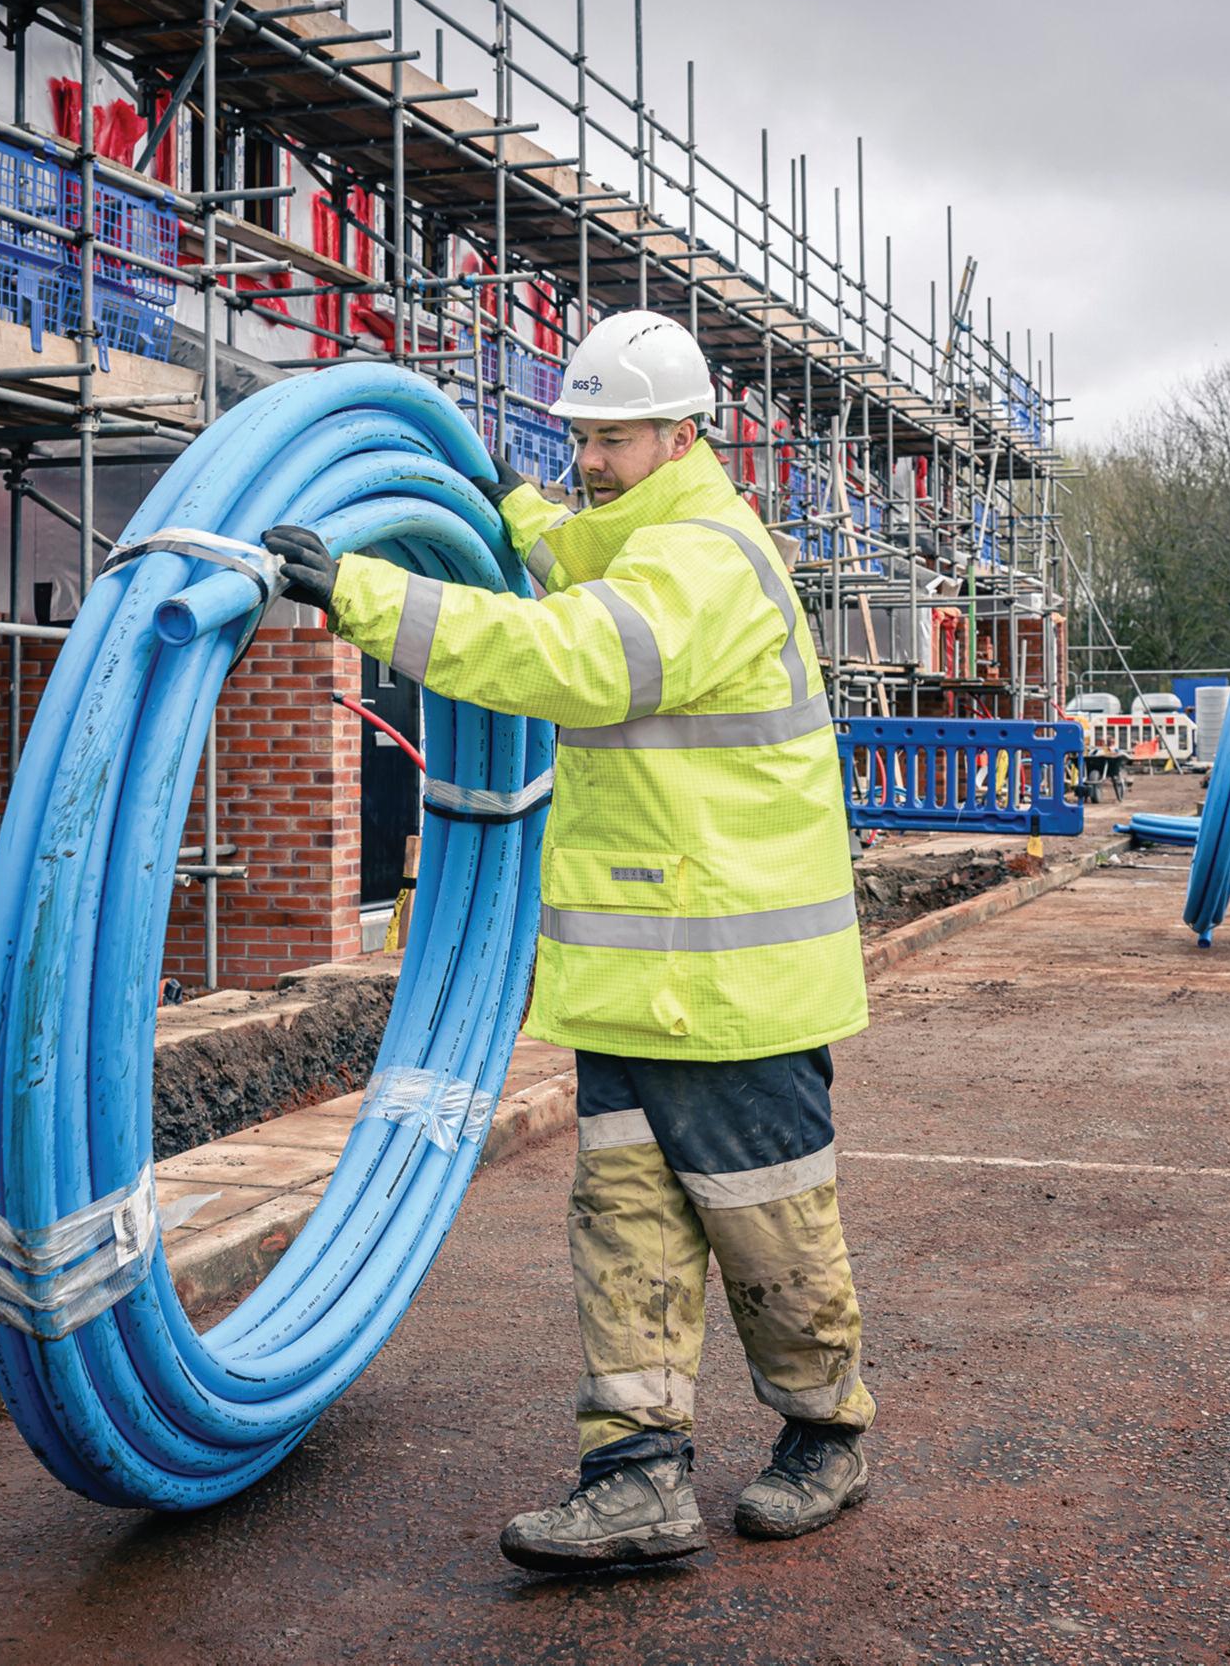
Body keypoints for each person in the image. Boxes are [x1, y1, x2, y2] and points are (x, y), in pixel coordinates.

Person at [261, 308, 875, 1573]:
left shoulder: (708, 559)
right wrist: (512, 504)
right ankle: (635, 1475)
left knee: (768, 1228)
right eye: (579, 436)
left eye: (613, 438)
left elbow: (579, 655)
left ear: (683, 432)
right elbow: (579, 557)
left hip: (731, 981)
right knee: (627, 1225)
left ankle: (825, 1432)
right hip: (633, 980)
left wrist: (366, 594)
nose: (590, 459)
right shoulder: (642, 533)